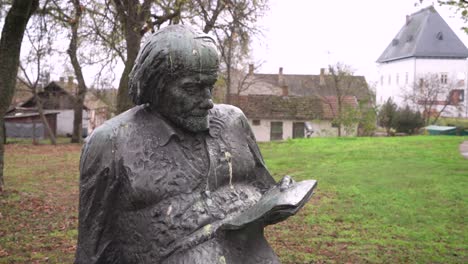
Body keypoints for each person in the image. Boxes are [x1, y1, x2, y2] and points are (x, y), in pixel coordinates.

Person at [75, 25, 298, 264]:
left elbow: (263, 188)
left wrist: (279, 197)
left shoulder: (233, 123)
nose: (208, 101)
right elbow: (92, 249)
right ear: (155, 85)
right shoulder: (112, 142)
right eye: (192, 88)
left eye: (210, 86)